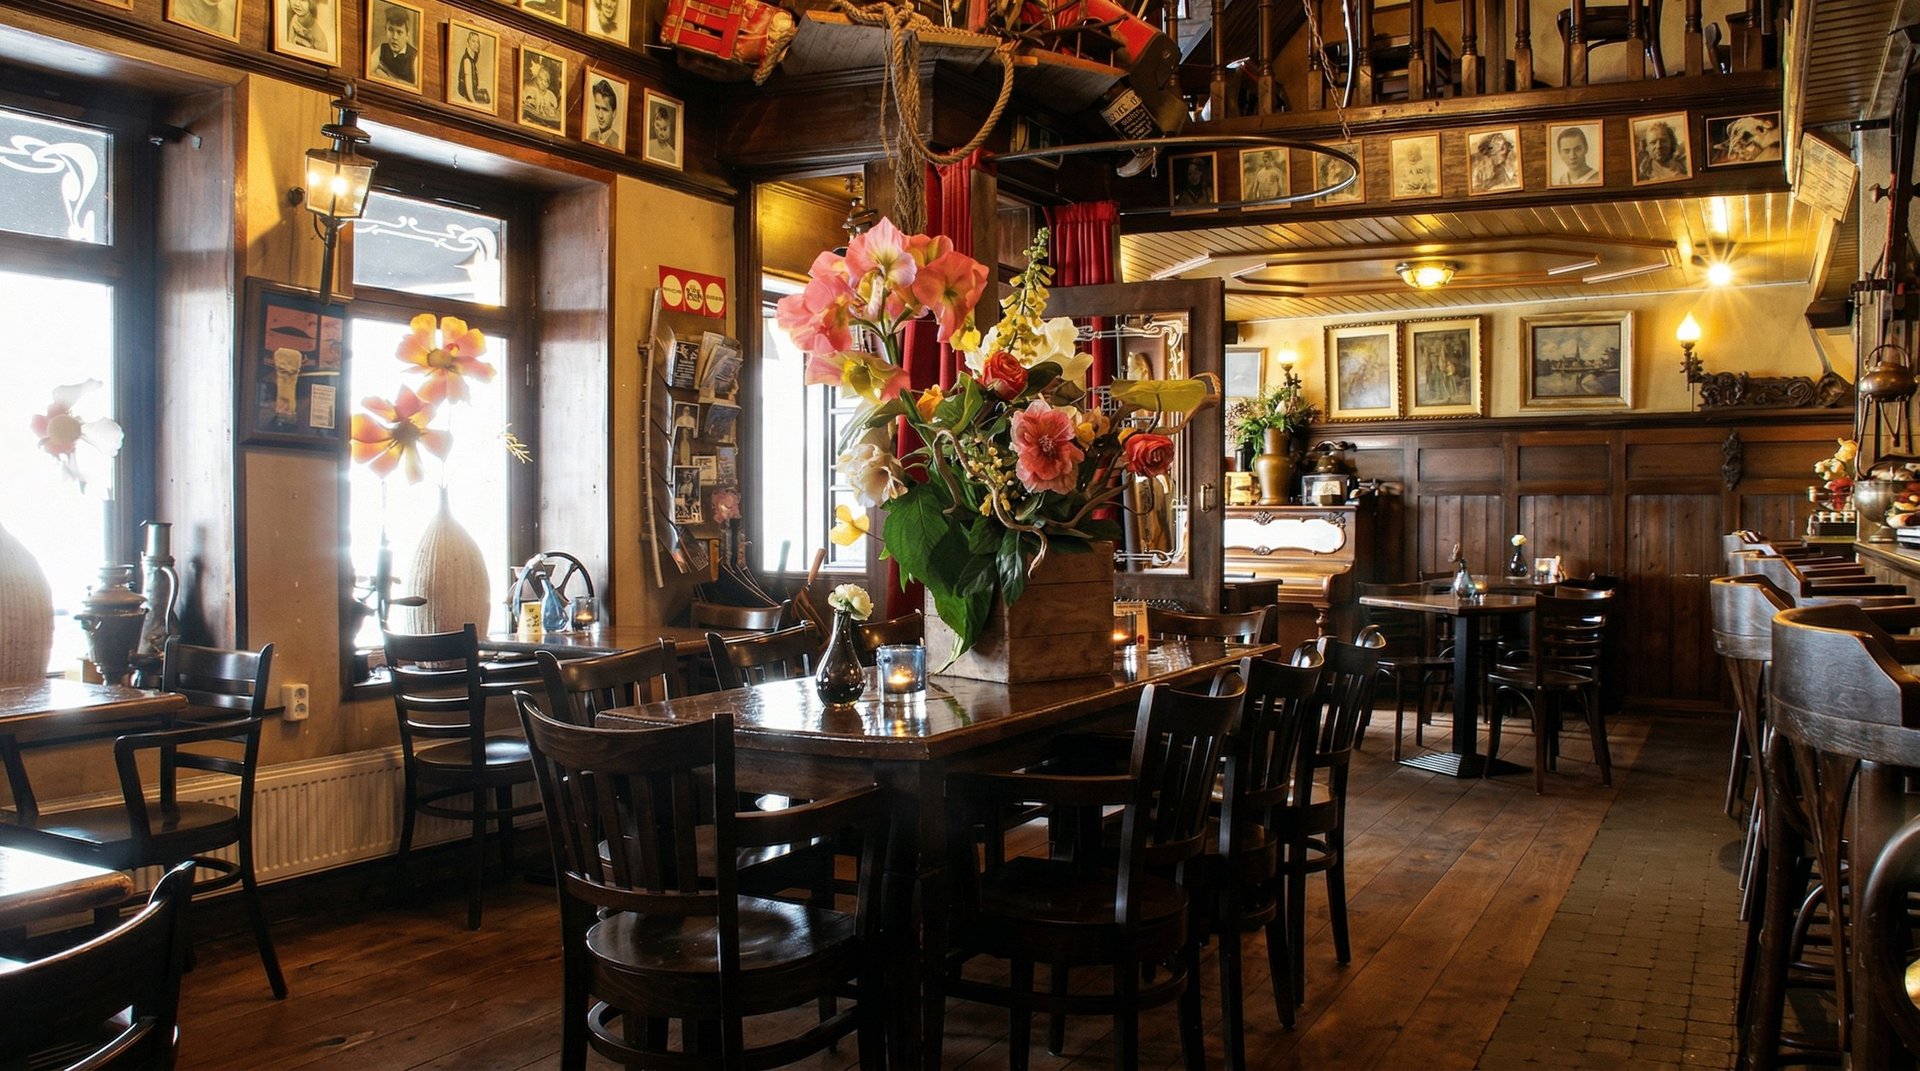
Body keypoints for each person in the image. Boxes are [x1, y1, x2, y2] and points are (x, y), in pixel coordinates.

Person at [371, 5, 415, 84]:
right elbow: (367, 73)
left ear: (407, 35)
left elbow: (416, 87)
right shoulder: (381, 49)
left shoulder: (415, 56)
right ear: (385, 29)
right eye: (390, 30)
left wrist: (382, 75)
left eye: (399, 32)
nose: (394, 37)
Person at [454, 30, 490, 106]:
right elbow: (468, 85)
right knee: (485, 98)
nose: (476, 45)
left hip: (473, 92)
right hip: (466, 94)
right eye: (473, 41)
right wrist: (474, 102)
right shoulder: (467, 61)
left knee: (486, 95)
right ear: (468, 41)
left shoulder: (473, 59)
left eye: (477, 42)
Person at [522, 58, 560, 127]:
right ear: (536, 79)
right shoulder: (530, 90)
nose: (543, 83)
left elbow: (553, 111)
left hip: (547, 121)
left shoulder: (550, 95)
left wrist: (549, 110)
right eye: (540, 79)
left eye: (546, 81)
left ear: (548, 83)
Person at [585, 79, 620, 148]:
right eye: (597, 108)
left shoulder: (617, 142)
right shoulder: (591, 135)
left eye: (605, 110)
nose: (600, 115)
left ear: (614, 113)